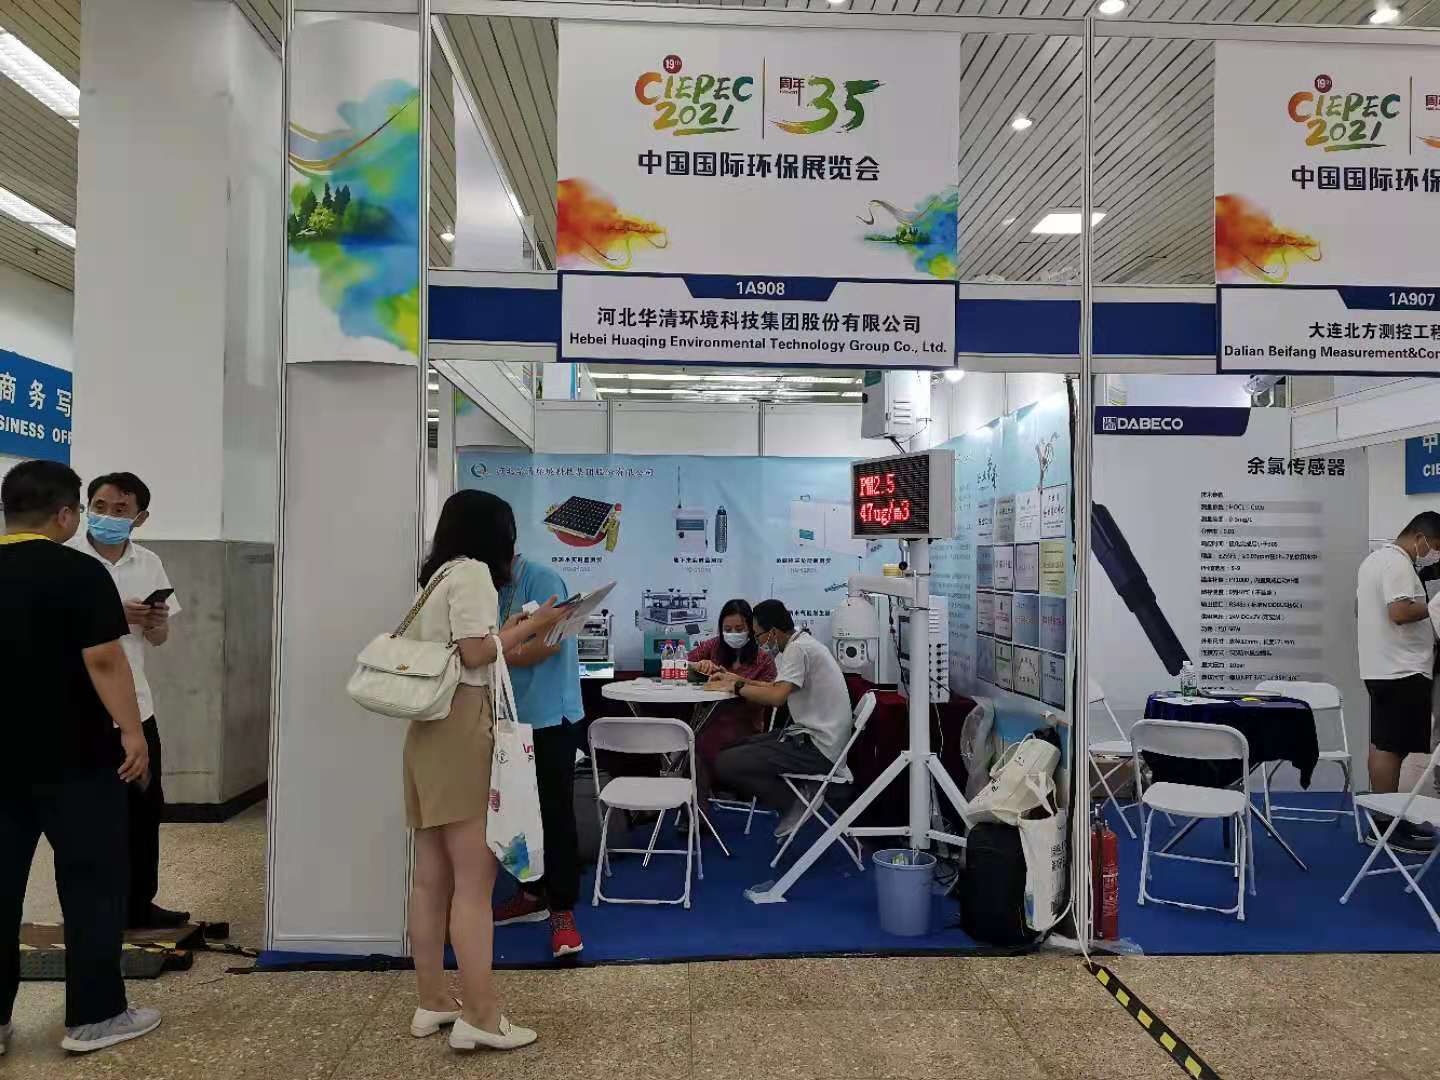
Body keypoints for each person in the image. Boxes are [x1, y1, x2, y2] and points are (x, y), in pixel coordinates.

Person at [0, 460, 161, 1055]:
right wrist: (132, 732)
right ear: (66, 514)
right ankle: (95, 1016)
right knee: (93, 883)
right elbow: (104, 660)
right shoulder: (79, 571)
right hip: (78, 756)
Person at [403, 490, 564, 1053]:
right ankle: (481, 1016)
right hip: (462, 728)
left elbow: (463, 645)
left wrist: (509, 627)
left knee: (430, 878)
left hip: (426, 733)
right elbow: (475, 653)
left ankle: (432, 999)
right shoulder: (472, 573)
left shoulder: (436, 576)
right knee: (474, 884)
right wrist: (534, 624)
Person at [67, 473, 186, 930]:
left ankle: (139, 904)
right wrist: (114, 614)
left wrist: (155, 622)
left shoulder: (149, 563)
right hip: (81, 710)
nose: (108, 517)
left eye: (120, 510)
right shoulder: (67, 559)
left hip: (137, 708)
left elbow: (158, 638)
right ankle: (96, 910)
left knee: (144, 808)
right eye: (99, 506)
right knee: (89, 818)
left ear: (140, 518)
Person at [490, 544, 586, 959]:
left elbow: (550, 643)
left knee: (554, 815)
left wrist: (495, 654)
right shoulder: (486, 586)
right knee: (514, 815)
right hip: (508, 718)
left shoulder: (542, 579)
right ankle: (529, 894)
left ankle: (562, 911)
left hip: (550, 717)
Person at [707, 599, 855, 838]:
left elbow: (776, 697)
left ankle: (793, 801)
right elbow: (774, 686)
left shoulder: (798, 649)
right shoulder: (800, 644)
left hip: (818, 749)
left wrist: (735, 687)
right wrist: (735, 679)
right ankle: (798, 794)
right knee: (733, 748)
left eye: (758, 635)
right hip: (814, 739)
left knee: (726, 762)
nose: (757, 641)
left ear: (773, 632)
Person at [1356, 511, 1440, 853]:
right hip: (1400, 670)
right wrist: (1435, 605)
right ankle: (1385, 826)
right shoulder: (1397, 564)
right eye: (1436, 546)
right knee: (1390, 749)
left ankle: (1387, 818)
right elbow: (1400, 612)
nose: (1434, 553)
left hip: (1385, 667)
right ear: (1420, 537)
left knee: (1385, 744)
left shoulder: (1375, 561)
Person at [686, 599, 777, 802]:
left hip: (745, 731)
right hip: (707, 727)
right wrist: (697, 667)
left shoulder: (764, 661)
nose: (733, 634)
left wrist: (735, 685)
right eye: (727, 629)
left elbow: (767, 698)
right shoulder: (713, 647)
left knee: (705, 750)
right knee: (692, 748)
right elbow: (681, 665)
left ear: (751, 629)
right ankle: (697, 813)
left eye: (739, 629)